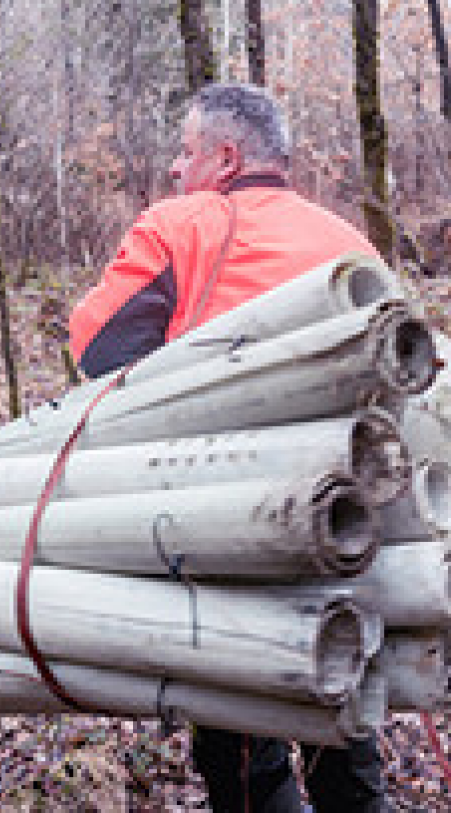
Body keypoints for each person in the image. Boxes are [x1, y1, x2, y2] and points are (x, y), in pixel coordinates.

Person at [69, 83, 391, 813]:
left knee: (242, 738)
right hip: (356, 516)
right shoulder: (353, 243)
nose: (177, 169)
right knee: (342, 707)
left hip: (229, 520)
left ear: (224, 156)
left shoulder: (182, 225)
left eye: (186, 152)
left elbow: (96, 348)